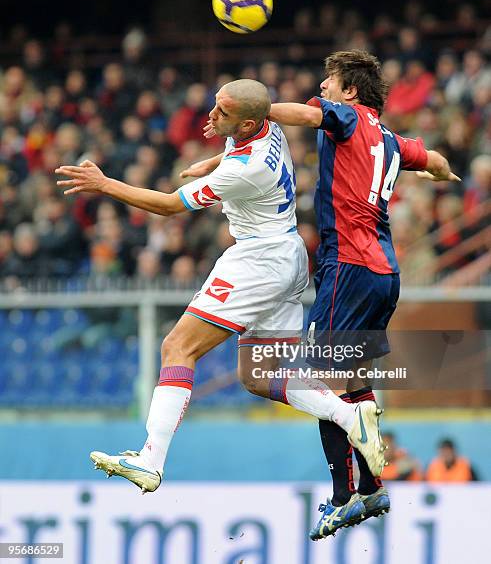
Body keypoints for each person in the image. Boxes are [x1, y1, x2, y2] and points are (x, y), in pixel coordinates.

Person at [55, 79, 386, 497]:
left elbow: (170, 206)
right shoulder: (265, 129)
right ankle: (348, 415)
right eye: (214, 105)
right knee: (260, 377)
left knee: (178, 348)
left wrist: (106, 185)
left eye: (223, 113)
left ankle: (150, 459)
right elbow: (240, 143)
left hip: (257, 261)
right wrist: (212, 161)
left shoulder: (245, 169)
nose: (211, 116)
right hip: (286, 254)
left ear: (249, 123)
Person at [201, 51, 460, 539]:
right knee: (356, 379)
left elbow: (305, 114)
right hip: (385, 272)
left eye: (329, 82)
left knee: (319, 383)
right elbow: (436, 160)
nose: (321, 88)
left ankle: (343, 498)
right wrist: (444, 175)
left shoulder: (345, 116)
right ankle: (373, 486)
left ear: (350, 92)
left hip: (347, 266)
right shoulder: (392, 139)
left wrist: (255, 108)